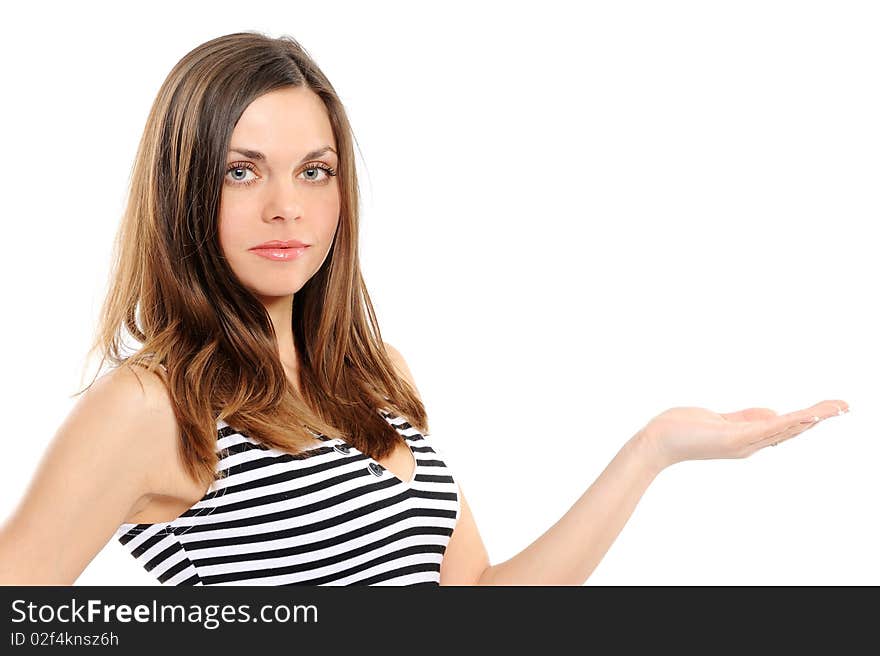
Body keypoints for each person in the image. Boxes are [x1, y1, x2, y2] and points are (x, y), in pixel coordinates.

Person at [0, 31, 849, 586]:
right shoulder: (153, 406)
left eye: (314, 170)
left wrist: (653, 450)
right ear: (182, 189)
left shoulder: (373, 377)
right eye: (241, 170)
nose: (286, 208)